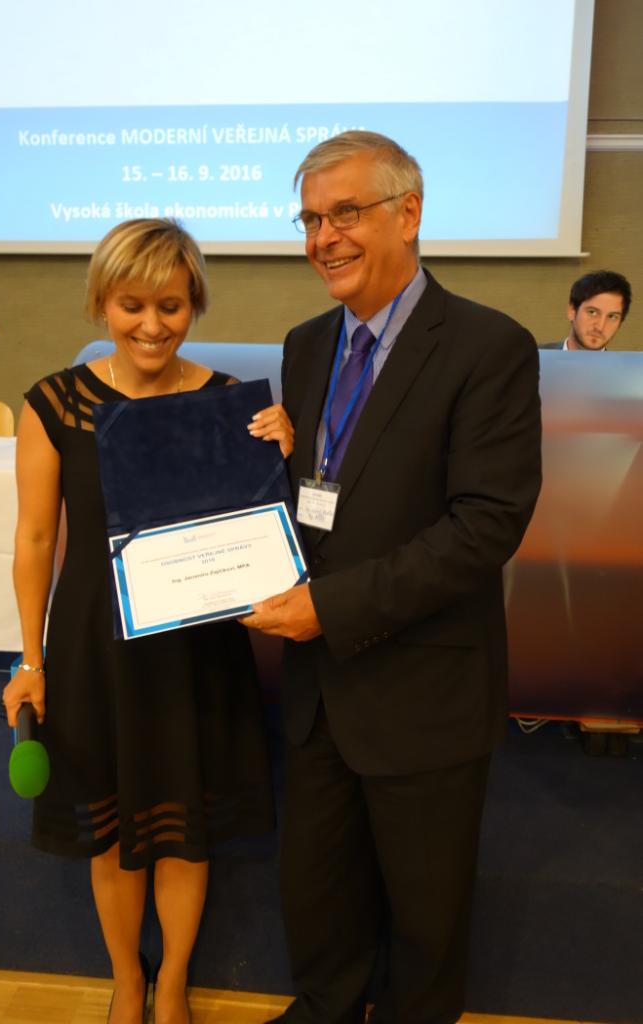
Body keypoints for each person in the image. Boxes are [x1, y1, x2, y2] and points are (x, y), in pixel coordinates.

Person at [242, 131, 542, 1024]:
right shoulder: (304, 346)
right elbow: (324, 495)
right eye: (309, 219)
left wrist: (328, 608)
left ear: (408, 213)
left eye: (345, 213)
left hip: (423, 690)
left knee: (423, 920)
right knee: (319, 902)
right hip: (319, 693)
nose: (322, 238)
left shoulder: (487, 346)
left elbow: (483, 526)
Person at [2, 218, 293, 1024]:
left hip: (196, 649)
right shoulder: (54, 402)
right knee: (112, 831)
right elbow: (33, 540)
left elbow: (259, 531)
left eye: (171, 305)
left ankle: (172, 988)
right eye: (132, 305)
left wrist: (281, 453)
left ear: (193, 305)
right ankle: (127, 982)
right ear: (101, 302)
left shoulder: (227, 403)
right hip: (94, 648)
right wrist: (31, 660)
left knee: (182, 829)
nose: (152, 325)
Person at [541, 270, 632, 350]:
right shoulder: (536, 358)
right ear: (572, 311)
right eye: (592, 312)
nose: (600, 327)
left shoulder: (631, 365)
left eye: (612, 317)